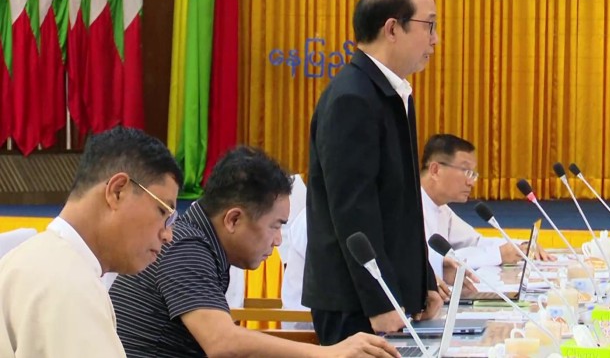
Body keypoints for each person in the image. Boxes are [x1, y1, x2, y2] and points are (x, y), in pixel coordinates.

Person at [109, 147, 398, 358]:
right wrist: (328, 353)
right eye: (275, 226)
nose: (278, 241)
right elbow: (222, 343)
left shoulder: (198, 241)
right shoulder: (185, 247)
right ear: (233, 219)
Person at [304, 0, 442, 344]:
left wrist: (423, 282)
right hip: (356, 303)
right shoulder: (352, 97)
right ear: (392, 28)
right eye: (429, 25)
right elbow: (353, 210)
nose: (435, 39)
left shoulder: (390, 92)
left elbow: (402, 205)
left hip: (385, 295)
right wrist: (381, 301)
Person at [0, 126, 183, 357]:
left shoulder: (20, 259)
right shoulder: (71, 286)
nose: (168, 235)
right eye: (163, 211)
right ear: (118, 191)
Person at [419, 134, 554, 299]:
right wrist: (498, 254)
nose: (471, 182)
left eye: (473, 174)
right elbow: (435, 264)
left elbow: (476, 241)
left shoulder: (441, 209)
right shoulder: (407, 209)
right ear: (435, 170)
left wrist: (520, 246)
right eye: (466, 172)